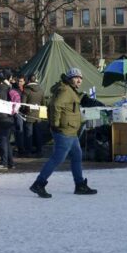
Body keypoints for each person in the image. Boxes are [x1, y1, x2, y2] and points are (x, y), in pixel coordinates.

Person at [30, 68, 97, 198]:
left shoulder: (70, 90)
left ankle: (80, 185)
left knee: (77, 156)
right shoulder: (66, 90)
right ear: (69, 78)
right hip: (64, 130)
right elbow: (55, 105)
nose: (79, 80)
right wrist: (55, 124)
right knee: (58, 158)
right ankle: (39, 183)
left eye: (80, 78)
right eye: (76, 77)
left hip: (70, 130)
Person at [0, 73, 15, 170]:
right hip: (9, 118)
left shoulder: (0, 91)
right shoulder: (8, 88)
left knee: (3, 141)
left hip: (1, 118)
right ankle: (10, 162)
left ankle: (4, 162)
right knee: (7, 141)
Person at [21, 74, 45, 156]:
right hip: (38, 115)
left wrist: (23, 110)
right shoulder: (41, 90)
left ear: (28, 80)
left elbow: (23, 104)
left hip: (29, 115)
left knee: (28, 133)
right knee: (38, 133)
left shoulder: (26, 90)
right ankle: (39, 150)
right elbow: (43, 103)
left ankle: (28, 151)